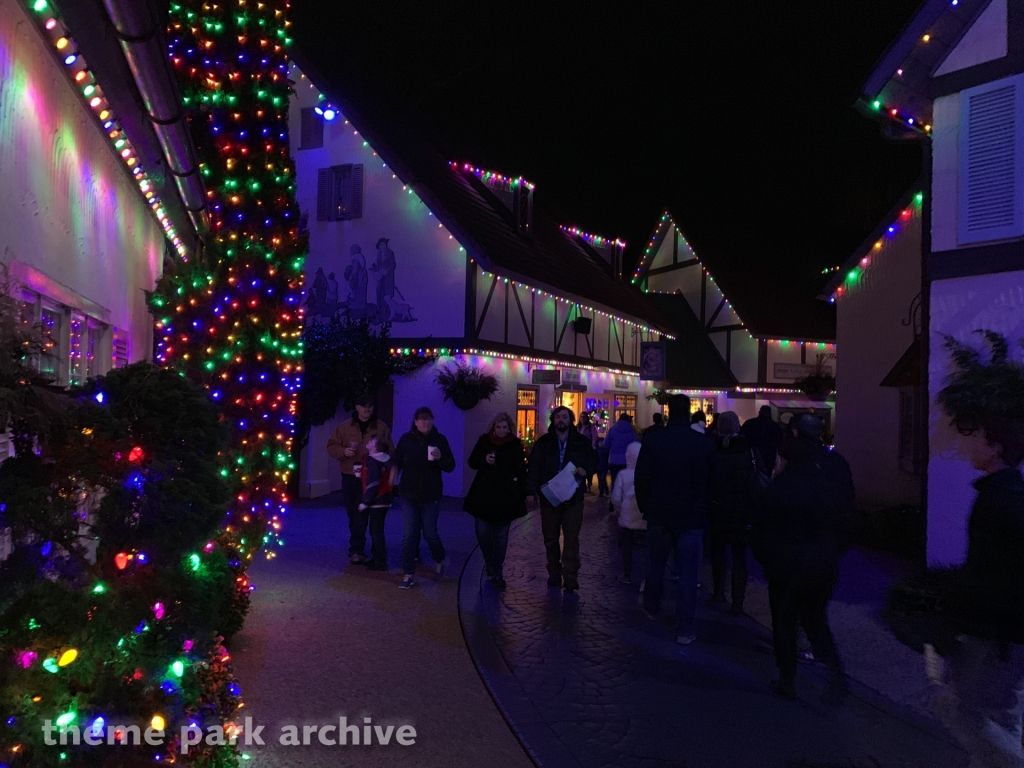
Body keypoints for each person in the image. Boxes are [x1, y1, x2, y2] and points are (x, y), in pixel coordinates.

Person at [935, 418, 1024, 766]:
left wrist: (956, 624)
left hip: (991, 633)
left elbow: (985, 574)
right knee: (992, 712)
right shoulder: (1005, 495)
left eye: (977, 438)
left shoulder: (1000, 501)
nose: (970, 445)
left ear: (996, 449)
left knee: (963, 709)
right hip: (999, 631)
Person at [751, 413, 854, 702]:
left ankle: (787, 679)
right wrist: (835, 548)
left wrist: (767, 557)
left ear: (795, 434)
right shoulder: (836, 465)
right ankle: (836, 676)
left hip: (787, 557)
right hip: (822, 555)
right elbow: (848, 514)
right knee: (815, 618)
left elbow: (766, 520)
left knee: (784, 618)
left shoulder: (787, 473)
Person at [635, 394, 720, 645]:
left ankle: (652, 606)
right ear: (690, 412)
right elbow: (713, 482)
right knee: (688, 574)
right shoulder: (703, 444)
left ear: (669, 411)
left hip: (659, 512)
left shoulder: (654, 440)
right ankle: (684, 626)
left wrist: (646, 508)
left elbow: (642, 479)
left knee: (656, 565)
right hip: (691, 516)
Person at [527, 406, 598, 593]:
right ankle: (553, 572)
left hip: (573, 496)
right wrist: (530, 491)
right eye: (558, 417)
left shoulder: (581, 442)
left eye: (565, 417)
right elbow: (534, 467)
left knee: (571, 537)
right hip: (550, 496)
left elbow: (593, 460)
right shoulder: (544, 443)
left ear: (571, 420)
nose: (561, 420)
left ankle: (571, 575)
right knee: (550, 537)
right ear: (553, 420)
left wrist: (586, 470)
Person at [391, 407, 455, 589]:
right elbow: (397, 459)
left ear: (432, 421)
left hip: (430, 495)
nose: (425, 423)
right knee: (409, 535)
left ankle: (441, 558)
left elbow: (450, 466)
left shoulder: (439, 440)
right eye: (422, 419)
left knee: (430, 533)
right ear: (415, 421)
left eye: (428, 419)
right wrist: (394, 470)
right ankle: (408, 573)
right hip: (409, 495)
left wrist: (440, 457)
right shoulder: (406, 440)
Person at [463, 412, 528, 590]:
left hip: (505, 496)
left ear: (509, 428)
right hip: (483, 495)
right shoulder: (484, 441)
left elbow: (521, 469)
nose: (501, 431)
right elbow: (472, 462)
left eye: (504, 428)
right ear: (493, 427)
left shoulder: (514, 445)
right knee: (483, 532)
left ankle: (497, 570)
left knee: (501, 536)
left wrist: (524, 492)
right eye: (498, 427)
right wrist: (484, 459)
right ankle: (489, 560)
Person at [325, 395, 393, 565]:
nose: (367, 409)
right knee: (354, 515)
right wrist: (343, 452)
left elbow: (391, 451)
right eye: (363, 406)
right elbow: (331, 446)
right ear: (357, 407)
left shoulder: (381, 427)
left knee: (371, 516)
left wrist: (391, 474)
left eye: (370, 406)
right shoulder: (344, 427)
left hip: (372, 478)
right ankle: (357, 549)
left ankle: (375, 552)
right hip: (350, 477)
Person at [707, 411, 754, 615]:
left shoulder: (712, 450)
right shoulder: (749, 451)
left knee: (718, 554)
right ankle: (738, 602)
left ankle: (718, 593)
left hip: (717, 509)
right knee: (739, 557)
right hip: (741, 510)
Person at [612, 441, 646, 584]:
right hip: (643, 517)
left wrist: (619, 508)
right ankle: (645, 576)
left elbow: (615, 497)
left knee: (627, 548)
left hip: (626, 516)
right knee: (644, 549)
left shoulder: (623, 474)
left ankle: (627, 574)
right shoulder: (645, 473)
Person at [358, 436, 393, 571]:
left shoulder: (373, 461)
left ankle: (380, 560)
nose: (369, 442)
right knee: (377, 529)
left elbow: (373, 482)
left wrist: (366, 501)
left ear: (375, 448)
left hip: (377, 500)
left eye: (372, 441)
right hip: (385, 498)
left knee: (375, 531)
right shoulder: (384, 460)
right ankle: (377, 557)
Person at [741, 405, 784, 474]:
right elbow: (780, 441)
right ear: (770, 413)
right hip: (769, 455)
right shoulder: (775, 426)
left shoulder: (750, 423)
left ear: (759, 412)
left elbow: (742, 437)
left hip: (752, 455)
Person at [577, 412, 599, 493]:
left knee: (588, 468)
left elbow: (594, 437)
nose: (582, 419)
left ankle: (589, 484)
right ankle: (582, 485)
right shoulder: (578, 427)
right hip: (579, 450)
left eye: (584, 417)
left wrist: (593, 446)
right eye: (581, 417)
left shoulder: (591, 427)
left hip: (588, 450)